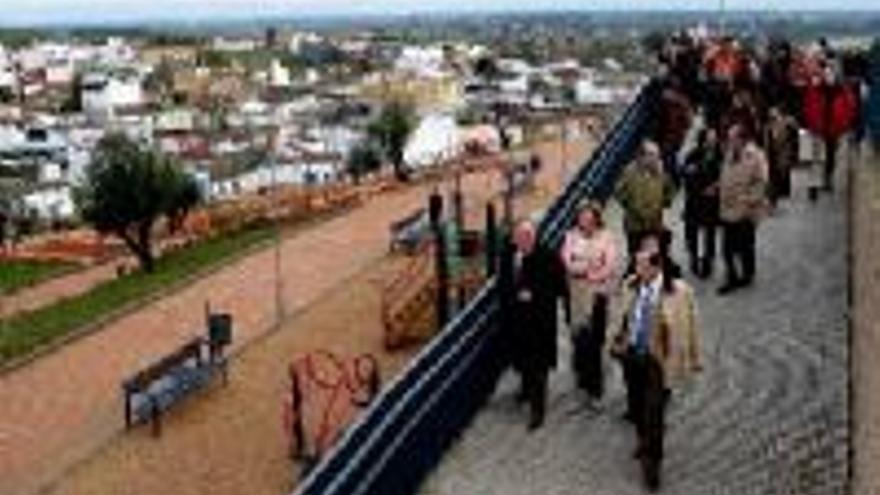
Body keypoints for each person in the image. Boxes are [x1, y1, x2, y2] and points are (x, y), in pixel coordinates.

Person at [610, 250, 703, 492]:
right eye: (636, 264)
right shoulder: (631, 284)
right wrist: (615, 342)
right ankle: (643, 440)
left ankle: (652, 465)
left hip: (659, 361)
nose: (635, 269)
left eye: (640, 265)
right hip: (632, 356)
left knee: (655, 412)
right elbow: (621, 316)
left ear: (654, 268)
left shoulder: (679, 291)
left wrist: (694, 356)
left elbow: (690, 323)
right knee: (638, 406)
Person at [499, 219, 568, 431]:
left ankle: (538, 411)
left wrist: (535, 294)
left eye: (527, 236)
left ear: (535, 236)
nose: (523, 241)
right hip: (516, 321)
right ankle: (526, 390)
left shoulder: (548, 256)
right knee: (522, 361)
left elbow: (560, 287)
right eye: (519, 237)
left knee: (539, 366)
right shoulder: (508, 255)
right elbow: (503, 283)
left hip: (539, 322)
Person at [561, 200, 619, 411]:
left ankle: (595, 391)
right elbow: (567, 260)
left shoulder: (607, 237)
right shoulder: (570, 236)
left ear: (596, 217)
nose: (584, 219)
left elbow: (610, 264)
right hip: (575, 296)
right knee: (579, 339)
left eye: (588, 215)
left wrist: (586, 272)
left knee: (595, 342)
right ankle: (582, 385)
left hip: (597, 296)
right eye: (581, 216)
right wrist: (588, 266)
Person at [718, 124, 769, 295]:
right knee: (727, 248)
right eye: (729, 137)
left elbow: (761, 183)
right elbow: (726, 175)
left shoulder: (755, 156)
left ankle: (746, 275)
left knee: (745, 246)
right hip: (727, 208)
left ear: (741, 139)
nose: (729, 141)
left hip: (745, 210)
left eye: (732, 138)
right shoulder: (729, 154)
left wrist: (748, 200)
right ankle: (732, 277)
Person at [616, 140, 676, 266]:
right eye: (652, 154)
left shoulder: (661, 171)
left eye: (657, 154)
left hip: (654, 223)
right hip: (634, 225)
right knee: (635, 256)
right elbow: (619, 193)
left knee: (653, 257)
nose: (656, 158)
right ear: (642, 156)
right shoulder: (629, 171)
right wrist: (630, 206)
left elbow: (670, 191)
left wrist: (663, 203)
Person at [681, 127, 723, 278]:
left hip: (712, 203)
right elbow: (687, 177)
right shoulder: (692, 156)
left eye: (714, 138)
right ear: (703, 140)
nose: (712, 141)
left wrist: (717, 187)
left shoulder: (720, 155)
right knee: (692, 232)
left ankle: (708, 261)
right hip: (695, 201)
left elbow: (724, 175)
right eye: (709, 138)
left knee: (710, 233)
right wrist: (701, 190)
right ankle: (694, 258)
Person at [764, 106, 798, 207]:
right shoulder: (767, 127)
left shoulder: (786, 124)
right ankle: (774, 197)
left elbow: (791, 139)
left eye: (774, 115)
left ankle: (783, 191)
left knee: (782, 172)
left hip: (783, 152)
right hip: (772, 153)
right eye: (771, 116)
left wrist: (791, 154)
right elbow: (766, 140)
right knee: (773, 175)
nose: (773, 118)